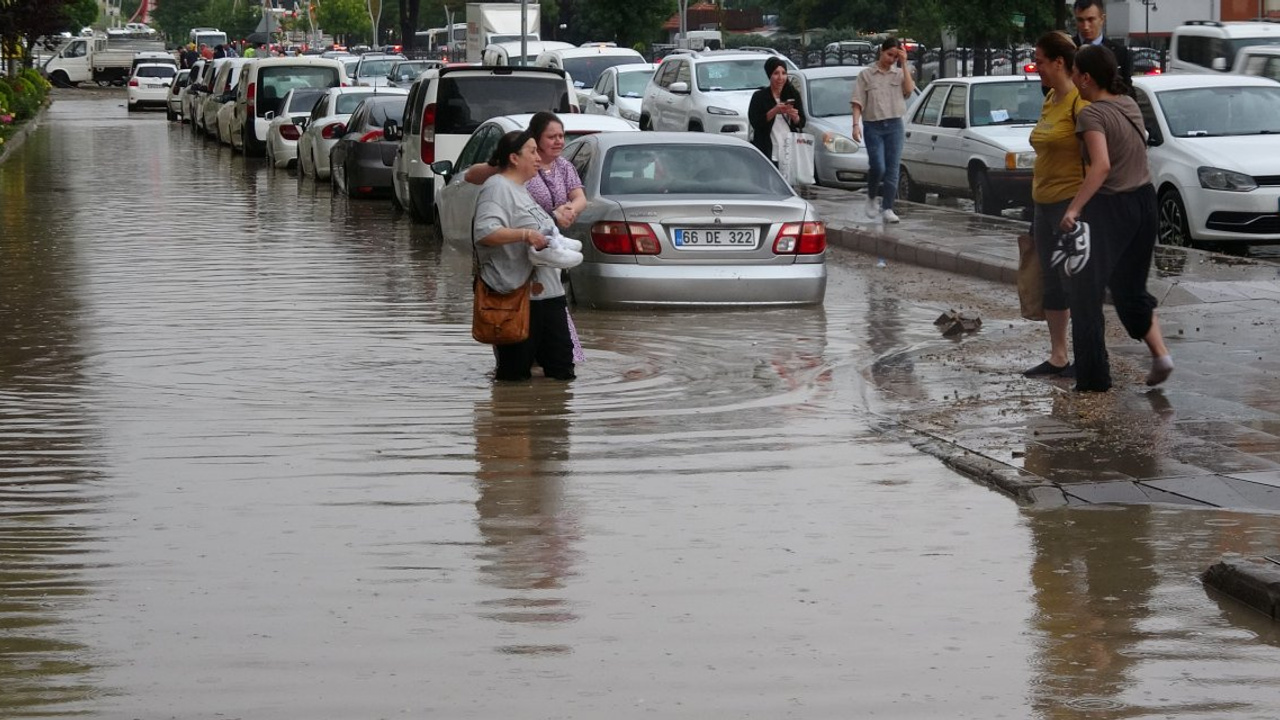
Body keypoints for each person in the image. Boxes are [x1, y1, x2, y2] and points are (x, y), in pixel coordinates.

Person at [1058, 44, 1172, 392]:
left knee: (1086, 293)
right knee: (1129, 288)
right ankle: (1161, 356)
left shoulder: (1091, 115)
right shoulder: (1128, 104)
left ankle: (1092, 380)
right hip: (1145, 203)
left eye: (1074, 71)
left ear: (1086, 78)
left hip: (1112, 208)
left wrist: (1074, 208)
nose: (1072, 77)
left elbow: (1102, 165)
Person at [466, 112, 588, 363]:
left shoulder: (554, 171)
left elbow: (576, 199)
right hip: (516, 293)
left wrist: (563, 218)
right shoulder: (499, 185)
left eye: (561, 136)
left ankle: (549, 401)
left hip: (547, 289)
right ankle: (514, 403)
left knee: (562, 365)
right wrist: (527, 234)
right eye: (534, 150)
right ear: (514, 157)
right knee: (518, 369)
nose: (538, 158)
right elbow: (485, 231)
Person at [1024, 31, 1085, 379]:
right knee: (1050, 280)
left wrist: (1079, 207)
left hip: (1068, 203)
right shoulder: (1050, 100)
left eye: (1042, 62)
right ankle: (1058, 355)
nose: (1037, 69)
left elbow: (1094, 157)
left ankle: (1085, 353)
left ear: (1059, 63)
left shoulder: (1080, 102)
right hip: (1041, 201)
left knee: (1073, 280)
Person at [851, 37, 916, 224]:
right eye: (889, 54)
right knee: (878, 166)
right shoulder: (866, 75)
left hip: (895, 124)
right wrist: (855, 125)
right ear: (881, 51)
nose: (891, 59)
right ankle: (872, 196)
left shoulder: (899, 73)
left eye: (895, 56)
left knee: (893, 168)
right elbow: (857, 102)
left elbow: (909, 90)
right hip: (873, 126)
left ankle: (888, 207)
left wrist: (904, 64)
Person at [747, 56, 805, 168]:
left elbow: (802, 121)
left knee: (788, 184)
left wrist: (795, 117)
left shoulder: (792, 94)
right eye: (776, 73)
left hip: (789, 151)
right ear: (769, 75)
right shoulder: (759, 97)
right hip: (768, 150)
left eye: (783, 73)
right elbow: (756, 123)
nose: (780, 77)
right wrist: (774, 111)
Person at [1073, 0, 1132, 90]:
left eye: (1090, 19)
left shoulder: (1121, 53)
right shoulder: (1066, 48)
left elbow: (1128, 90)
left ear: (1102, 19)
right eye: (1080, 20)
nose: (1085, 26)